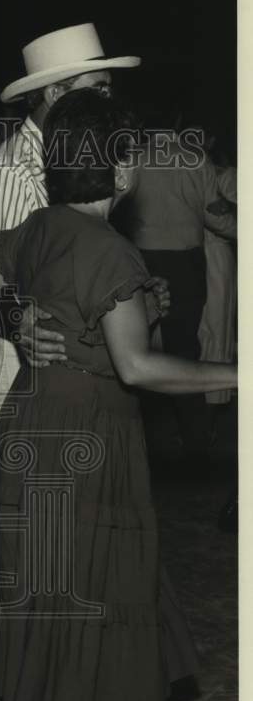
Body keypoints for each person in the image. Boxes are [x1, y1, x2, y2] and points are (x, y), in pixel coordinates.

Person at [0, 89, 234, 701]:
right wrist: (237, 371)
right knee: (59, 591)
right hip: (86, 434)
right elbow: (137, 368)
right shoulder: (110, 249)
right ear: (117, 171)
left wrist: (15, 316)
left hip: (37, 419)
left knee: (82, 584)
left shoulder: (37, 226)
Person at [0, 23, 143, 701]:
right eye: (95, 88)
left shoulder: (77, 158)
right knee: (50, 544)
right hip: (17, 365)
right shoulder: (6, 174)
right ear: (57, 94)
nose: (105, 99)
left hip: (69, 365)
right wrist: (23, 323)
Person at [120, 110, 237, 465]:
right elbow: (214, 215)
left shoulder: (134, 158)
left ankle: (138, 439)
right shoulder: (194, 158)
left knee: (136, 348)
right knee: (185, 347)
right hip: (186, 264)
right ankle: (196, 440)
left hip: (141, 262)